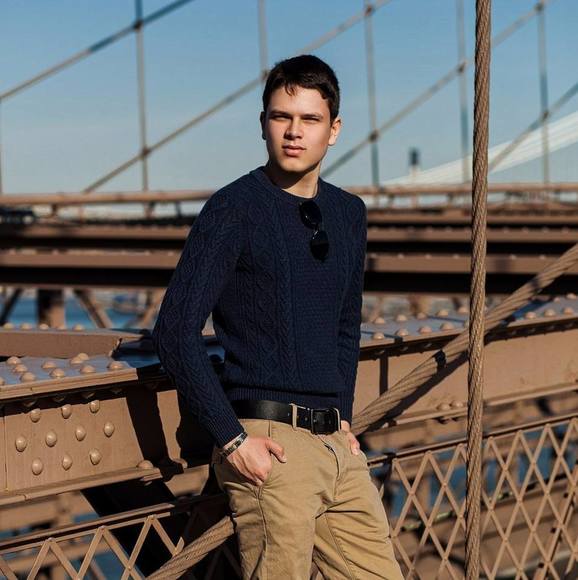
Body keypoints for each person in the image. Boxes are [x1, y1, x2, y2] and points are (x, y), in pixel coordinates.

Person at [152, 54, 403, 579]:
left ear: (334, 130)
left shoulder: (348, 214)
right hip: (269, 445)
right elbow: (174, 331)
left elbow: (344, 325)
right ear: (263, 123)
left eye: (310, 119)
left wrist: (344, 418)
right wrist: (233, 440)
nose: (293, 132)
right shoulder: (234, 208)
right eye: (280, 117)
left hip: (336, 445)